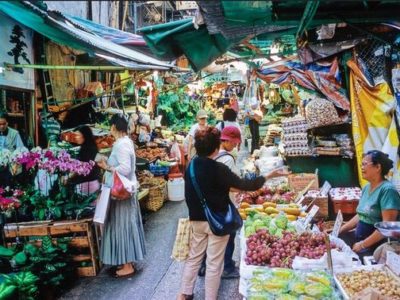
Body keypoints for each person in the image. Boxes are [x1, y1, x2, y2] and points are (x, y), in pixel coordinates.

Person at [178, 127, 289, 300]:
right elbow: (247, 185)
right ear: (215, 148)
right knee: (214, 264)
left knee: (194, 258)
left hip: (197, 220)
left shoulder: (191, 166)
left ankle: (184, 294)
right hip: (218, 221)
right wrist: (269, 176)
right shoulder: (219, 169)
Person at [97, 114, 146, 278]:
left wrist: (107, 167)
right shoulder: (127, 142)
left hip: (121, 194)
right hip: (125, 191)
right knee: (125, 225)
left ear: (113, 127)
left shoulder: (120, 144)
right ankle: (127, 262)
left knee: (122, 226)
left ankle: (127, 265)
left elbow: (124, 168)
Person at [197, 126, 242, 279]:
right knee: (228, 234)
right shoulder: (227, 159)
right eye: (234, 143)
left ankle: (204, 265)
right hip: (223, 203)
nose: (235, 146)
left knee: (210, 236)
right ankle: (227, 267)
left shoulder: (209, 156)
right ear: (227, 141)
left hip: (208, 203)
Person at [340, 150, 400, 257]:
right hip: (361, 239)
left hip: (377, 246)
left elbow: (386, 228)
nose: (362, 167)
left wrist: (363, 245)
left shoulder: (387, 190)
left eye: (365, 164)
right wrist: (339, 231)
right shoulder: (367, 187)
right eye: (361, 164)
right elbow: (361, 215)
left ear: (378, 167)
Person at [67, 125, 101, 195]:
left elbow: (81, 166)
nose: (76, 138)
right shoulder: (91, 146)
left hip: (87, 185)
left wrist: (68, 177)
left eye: (78, 135)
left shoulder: (86, 149)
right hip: (93, 183)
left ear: (85, 136)